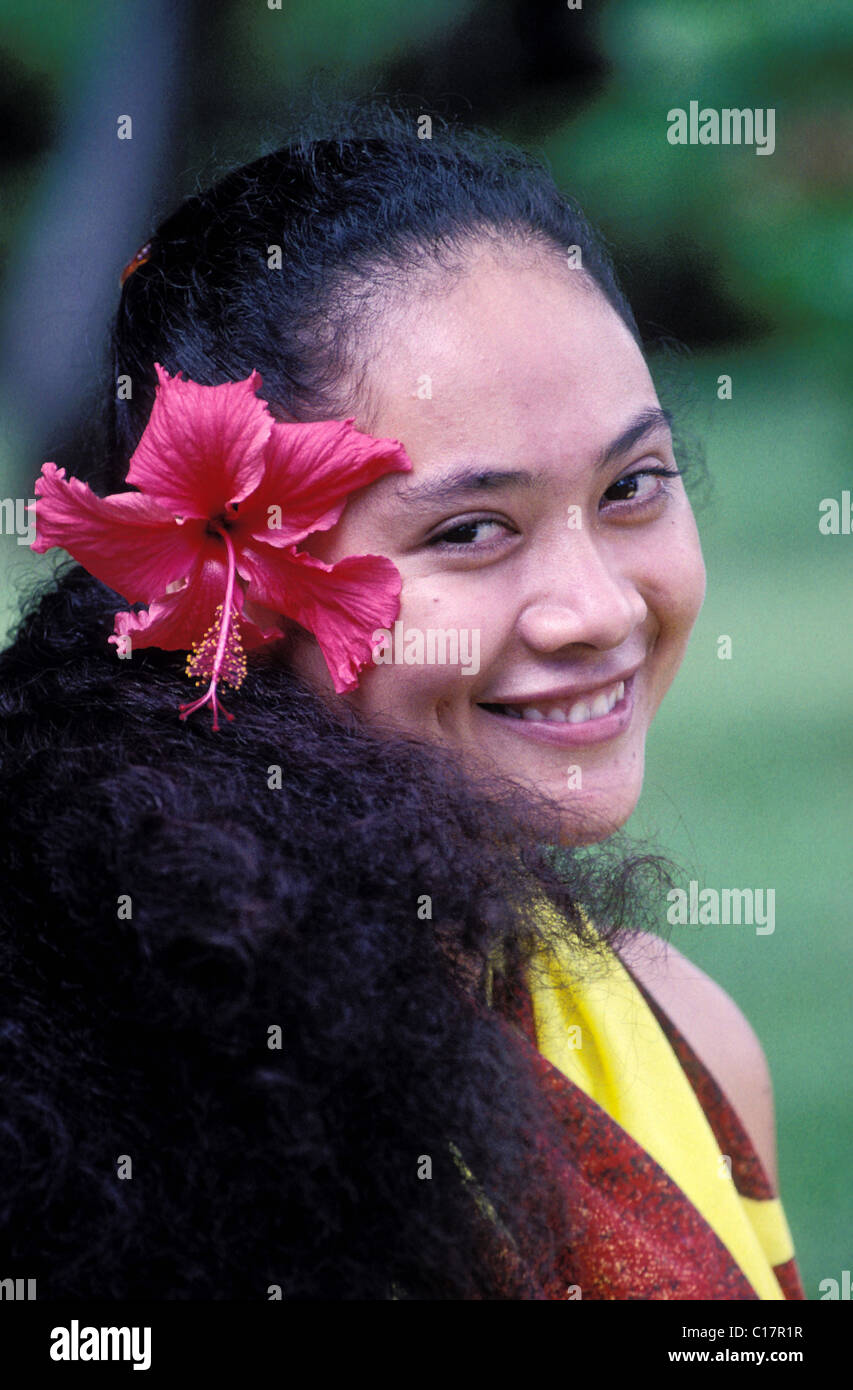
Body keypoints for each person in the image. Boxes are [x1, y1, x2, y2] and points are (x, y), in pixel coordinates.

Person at [0, 100, 804, 1300]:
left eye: (633, 484)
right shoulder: (93, 1119)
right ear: (233, 598)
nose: (591, 607)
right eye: (471, 529)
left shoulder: (694, 1039)